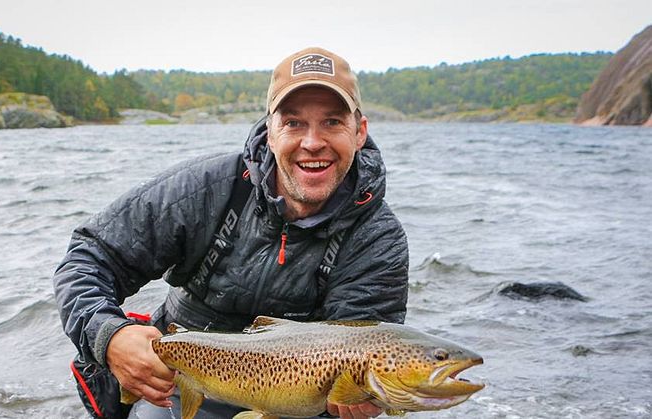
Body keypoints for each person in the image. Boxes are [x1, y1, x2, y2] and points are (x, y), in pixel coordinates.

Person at [54, 47, 409, 419]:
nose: (312, 142)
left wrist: (356, 401)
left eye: (333, 122)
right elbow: (89, 257)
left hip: (297, 403)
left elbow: (363, 345)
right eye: (293, 123)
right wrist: (109, 336)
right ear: (270, 132)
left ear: (359, 132)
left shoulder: (378, 239)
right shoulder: (208, 188)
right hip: (180, 381)